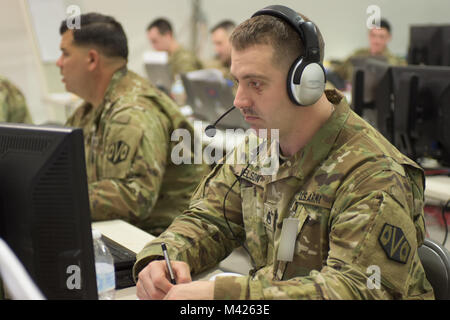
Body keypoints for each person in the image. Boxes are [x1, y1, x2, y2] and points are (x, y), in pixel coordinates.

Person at [133, 5, 434, 300]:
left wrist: (224, 295)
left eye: (256, 84)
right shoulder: (259, 147)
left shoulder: (373, 174)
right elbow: (212, 219)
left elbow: (355, 289)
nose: (239, 100)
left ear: (306, 85)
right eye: (237, 81)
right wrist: (164, 258)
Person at [57, 13, 209, 236]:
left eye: (65, 53)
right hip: (127, 231)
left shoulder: (133, 112)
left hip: (166, 241)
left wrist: (57, 199)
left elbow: (134, 197)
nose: (59, 63)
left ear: (91, 59)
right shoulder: (88, 110)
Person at [334, 18, 407, 83]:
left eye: (381, 37)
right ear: (369, 35)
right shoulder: (358, 55)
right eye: (373, 35)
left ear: (389, 38)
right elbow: (338, 72)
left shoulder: (395, 63)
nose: (376, 41)